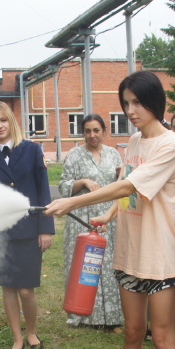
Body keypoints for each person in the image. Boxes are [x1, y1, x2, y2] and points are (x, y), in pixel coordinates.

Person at [45, 71, 175, 349]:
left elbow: (128, 185)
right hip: (128, 252)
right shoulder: (135, 142)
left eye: (137, 103)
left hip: (159, 256)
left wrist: (73, 201)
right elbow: (131, 197)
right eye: (126, 104)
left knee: (162, 337)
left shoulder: (171, 145)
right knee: (132, 332)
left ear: (155, 102)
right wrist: (109, 216)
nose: (131, 110)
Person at [0, 102, 54, 349]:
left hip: (30, 229)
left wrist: (46, 228)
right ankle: (17, 339)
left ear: (12, 122)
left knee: (26, 289)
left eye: (4, 120)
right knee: (8, 288)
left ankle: (31, 331)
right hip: (0, 234)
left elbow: (43, 189)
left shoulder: (32, 150)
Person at [58, 114, 123, 328]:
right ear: (82, 133)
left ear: (104, 131)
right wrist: (83, 181)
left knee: (108, 263)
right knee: (85, 265)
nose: (92, 135)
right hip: (82, 218)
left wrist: (121, 174)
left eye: (96, 130)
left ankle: (111, 316)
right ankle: (84, 313)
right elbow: (63, 186)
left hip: (107, 219)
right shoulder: (75, 155)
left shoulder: (114, 154)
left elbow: (122, 184)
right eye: (87, 131)